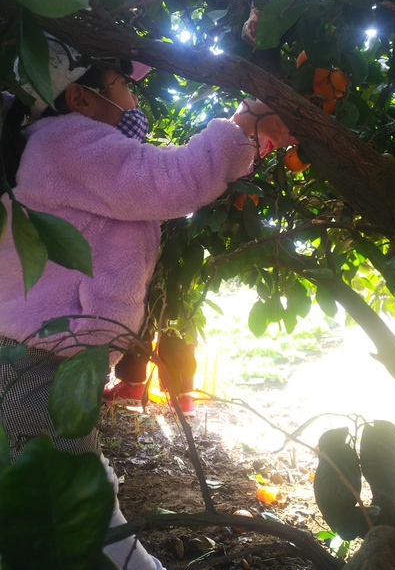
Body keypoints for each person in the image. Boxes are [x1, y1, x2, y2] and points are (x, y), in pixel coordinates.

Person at [0, 35, 296, 568]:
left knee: (74, 496)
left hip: (49, 365)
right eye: (121, 84)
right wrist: (244, 123)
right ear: (80, 98)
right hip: (37, 370)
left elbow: (151, 180)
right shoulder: (67, 143)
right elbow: (171, 181)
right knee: (73, 513)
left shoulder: (64, 146)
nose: (133, 97)